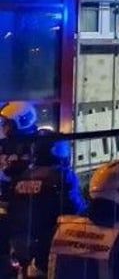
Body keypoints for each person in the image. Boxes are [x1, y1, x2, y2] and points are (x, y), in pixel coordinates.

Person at [7, 129, 85, 278]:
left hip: (21, 245)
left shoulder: (22, 177)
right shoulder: (62, 176)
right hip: (50, 245)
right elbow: (75, 209)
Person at [0, 102, 41, 278]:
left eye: (7, 123)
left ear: (21, 122)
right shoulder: (5, 144)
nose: (4, 127)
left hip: (27, 209)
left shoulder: (39, 144)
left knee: (25, 255)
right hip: (6, 204)